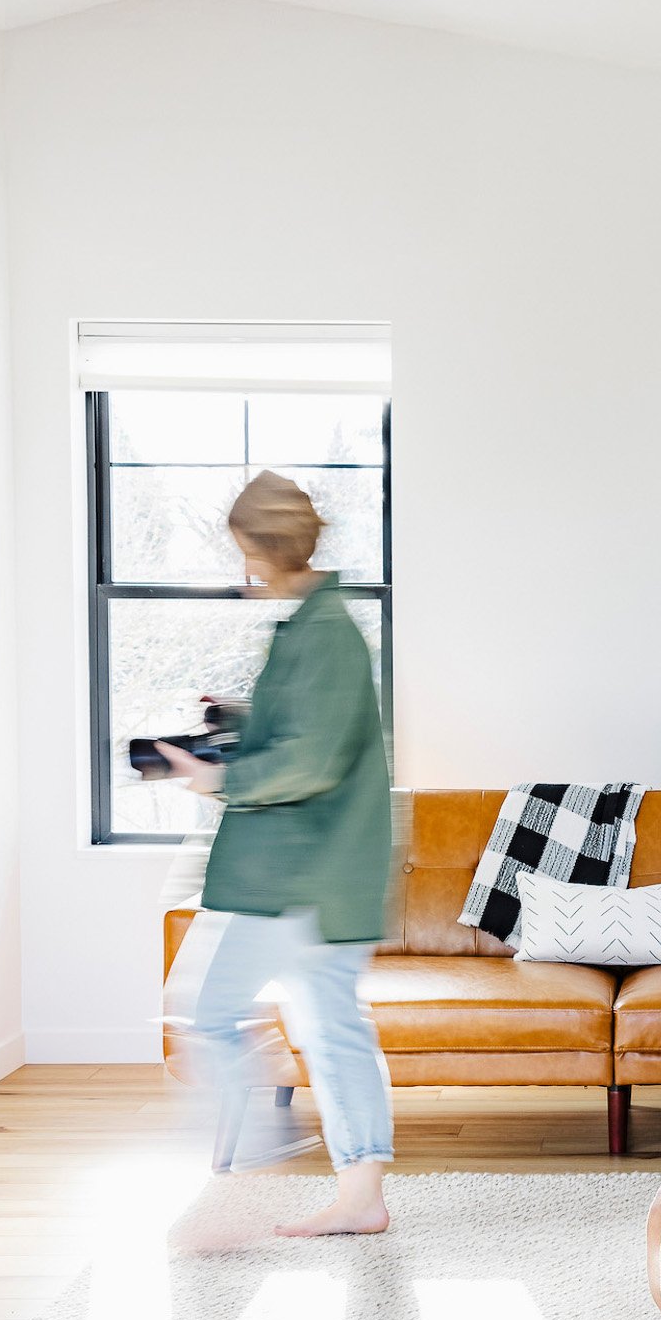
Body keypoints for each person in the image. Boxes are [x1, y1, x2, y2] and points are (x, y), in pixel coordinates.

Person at [159, 472, 396, 1236]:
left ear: (267, 551)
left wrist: (219, 777)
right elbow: (306, 733)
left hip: (297, 876)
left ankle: (241, 1188)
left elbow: (312, 763)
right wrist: (238, 720)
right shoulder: (313, 630)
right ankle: (360, 1198)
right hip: (322, 875)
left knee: (207, 1012)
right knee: (332, 1031)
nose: (244, 573)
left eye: (245, 556)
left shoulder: (324, 635)